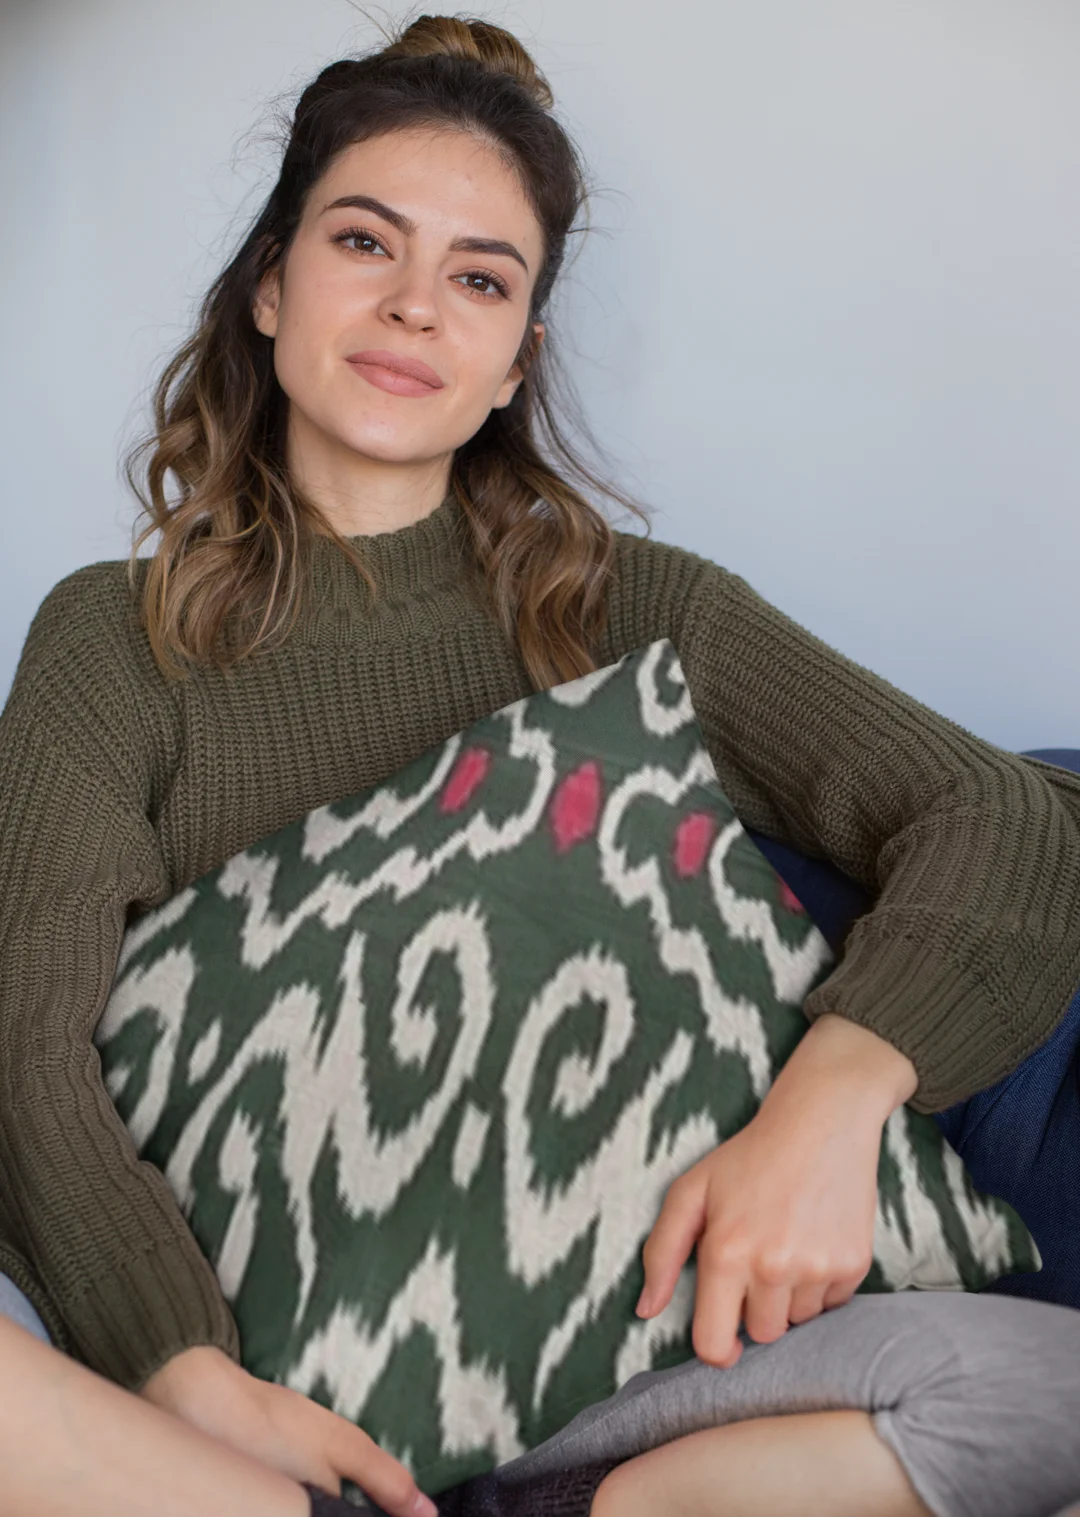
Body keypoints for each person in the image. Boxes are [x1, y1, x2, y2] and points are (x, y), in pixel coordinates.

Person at [1, 12, 1078, 1517]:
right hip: (242, 1384)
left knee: (1047, 1392)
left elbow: (1011, 820)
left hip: (625, 1354)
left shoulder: (635, 612)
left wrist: (826, 1110)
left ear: (519, 358)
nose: (415, 308)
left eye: (480, 278)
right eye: (365, 242)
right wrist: (185, 1371)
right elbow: (22, 1044)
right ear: (268, 285)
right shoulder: (113, 640)